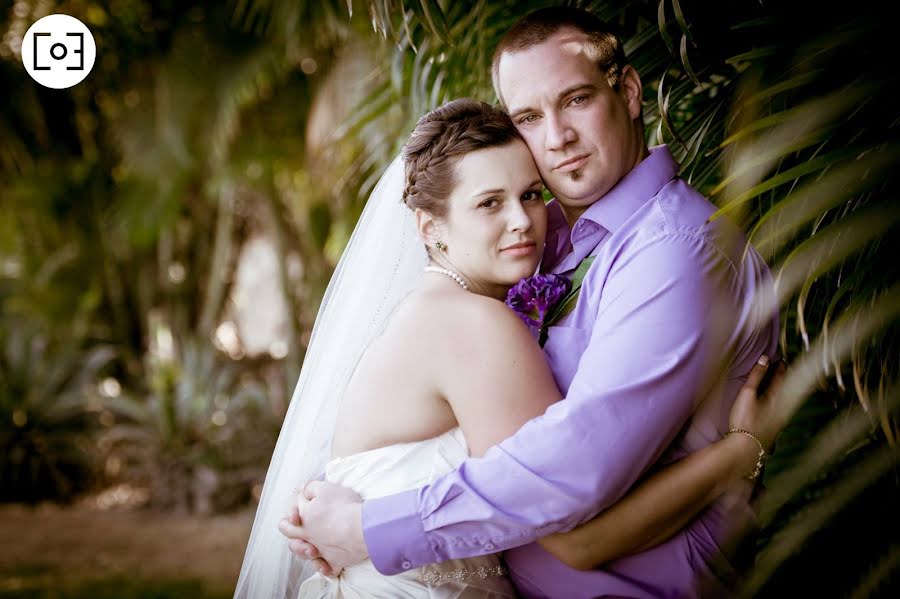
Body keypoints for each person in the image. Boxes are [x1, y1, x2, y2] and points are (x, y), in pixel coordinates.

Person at [279, 6, 783, 599]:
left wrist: (372, 525)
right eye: (528, 116)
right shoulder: (548, 252)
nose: (556, 137)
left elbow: (576, 473)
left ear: (626, 91)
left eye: (575, 100)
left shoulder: (671, 250)